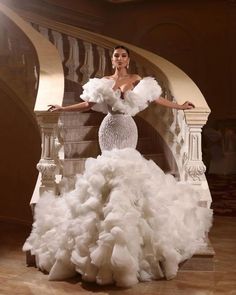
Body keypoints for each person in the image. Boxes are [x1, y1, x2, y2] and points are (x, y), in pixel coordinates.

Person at [23, 45, 212, 287]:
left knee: (127, 173)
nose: (119, 58)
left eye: (123, 55)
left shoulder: (137, 79)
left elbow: (156, 99)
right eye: (116, 55)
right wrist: (62, 108)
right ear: (111, 59)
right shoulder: (103, 81)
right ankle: (101, 232)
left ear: (128, 59)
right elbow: (88, 104)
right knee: (107, 175)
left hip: (127, 127)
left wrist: (179, 106)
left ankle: (131, 236)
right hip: (109, 127)